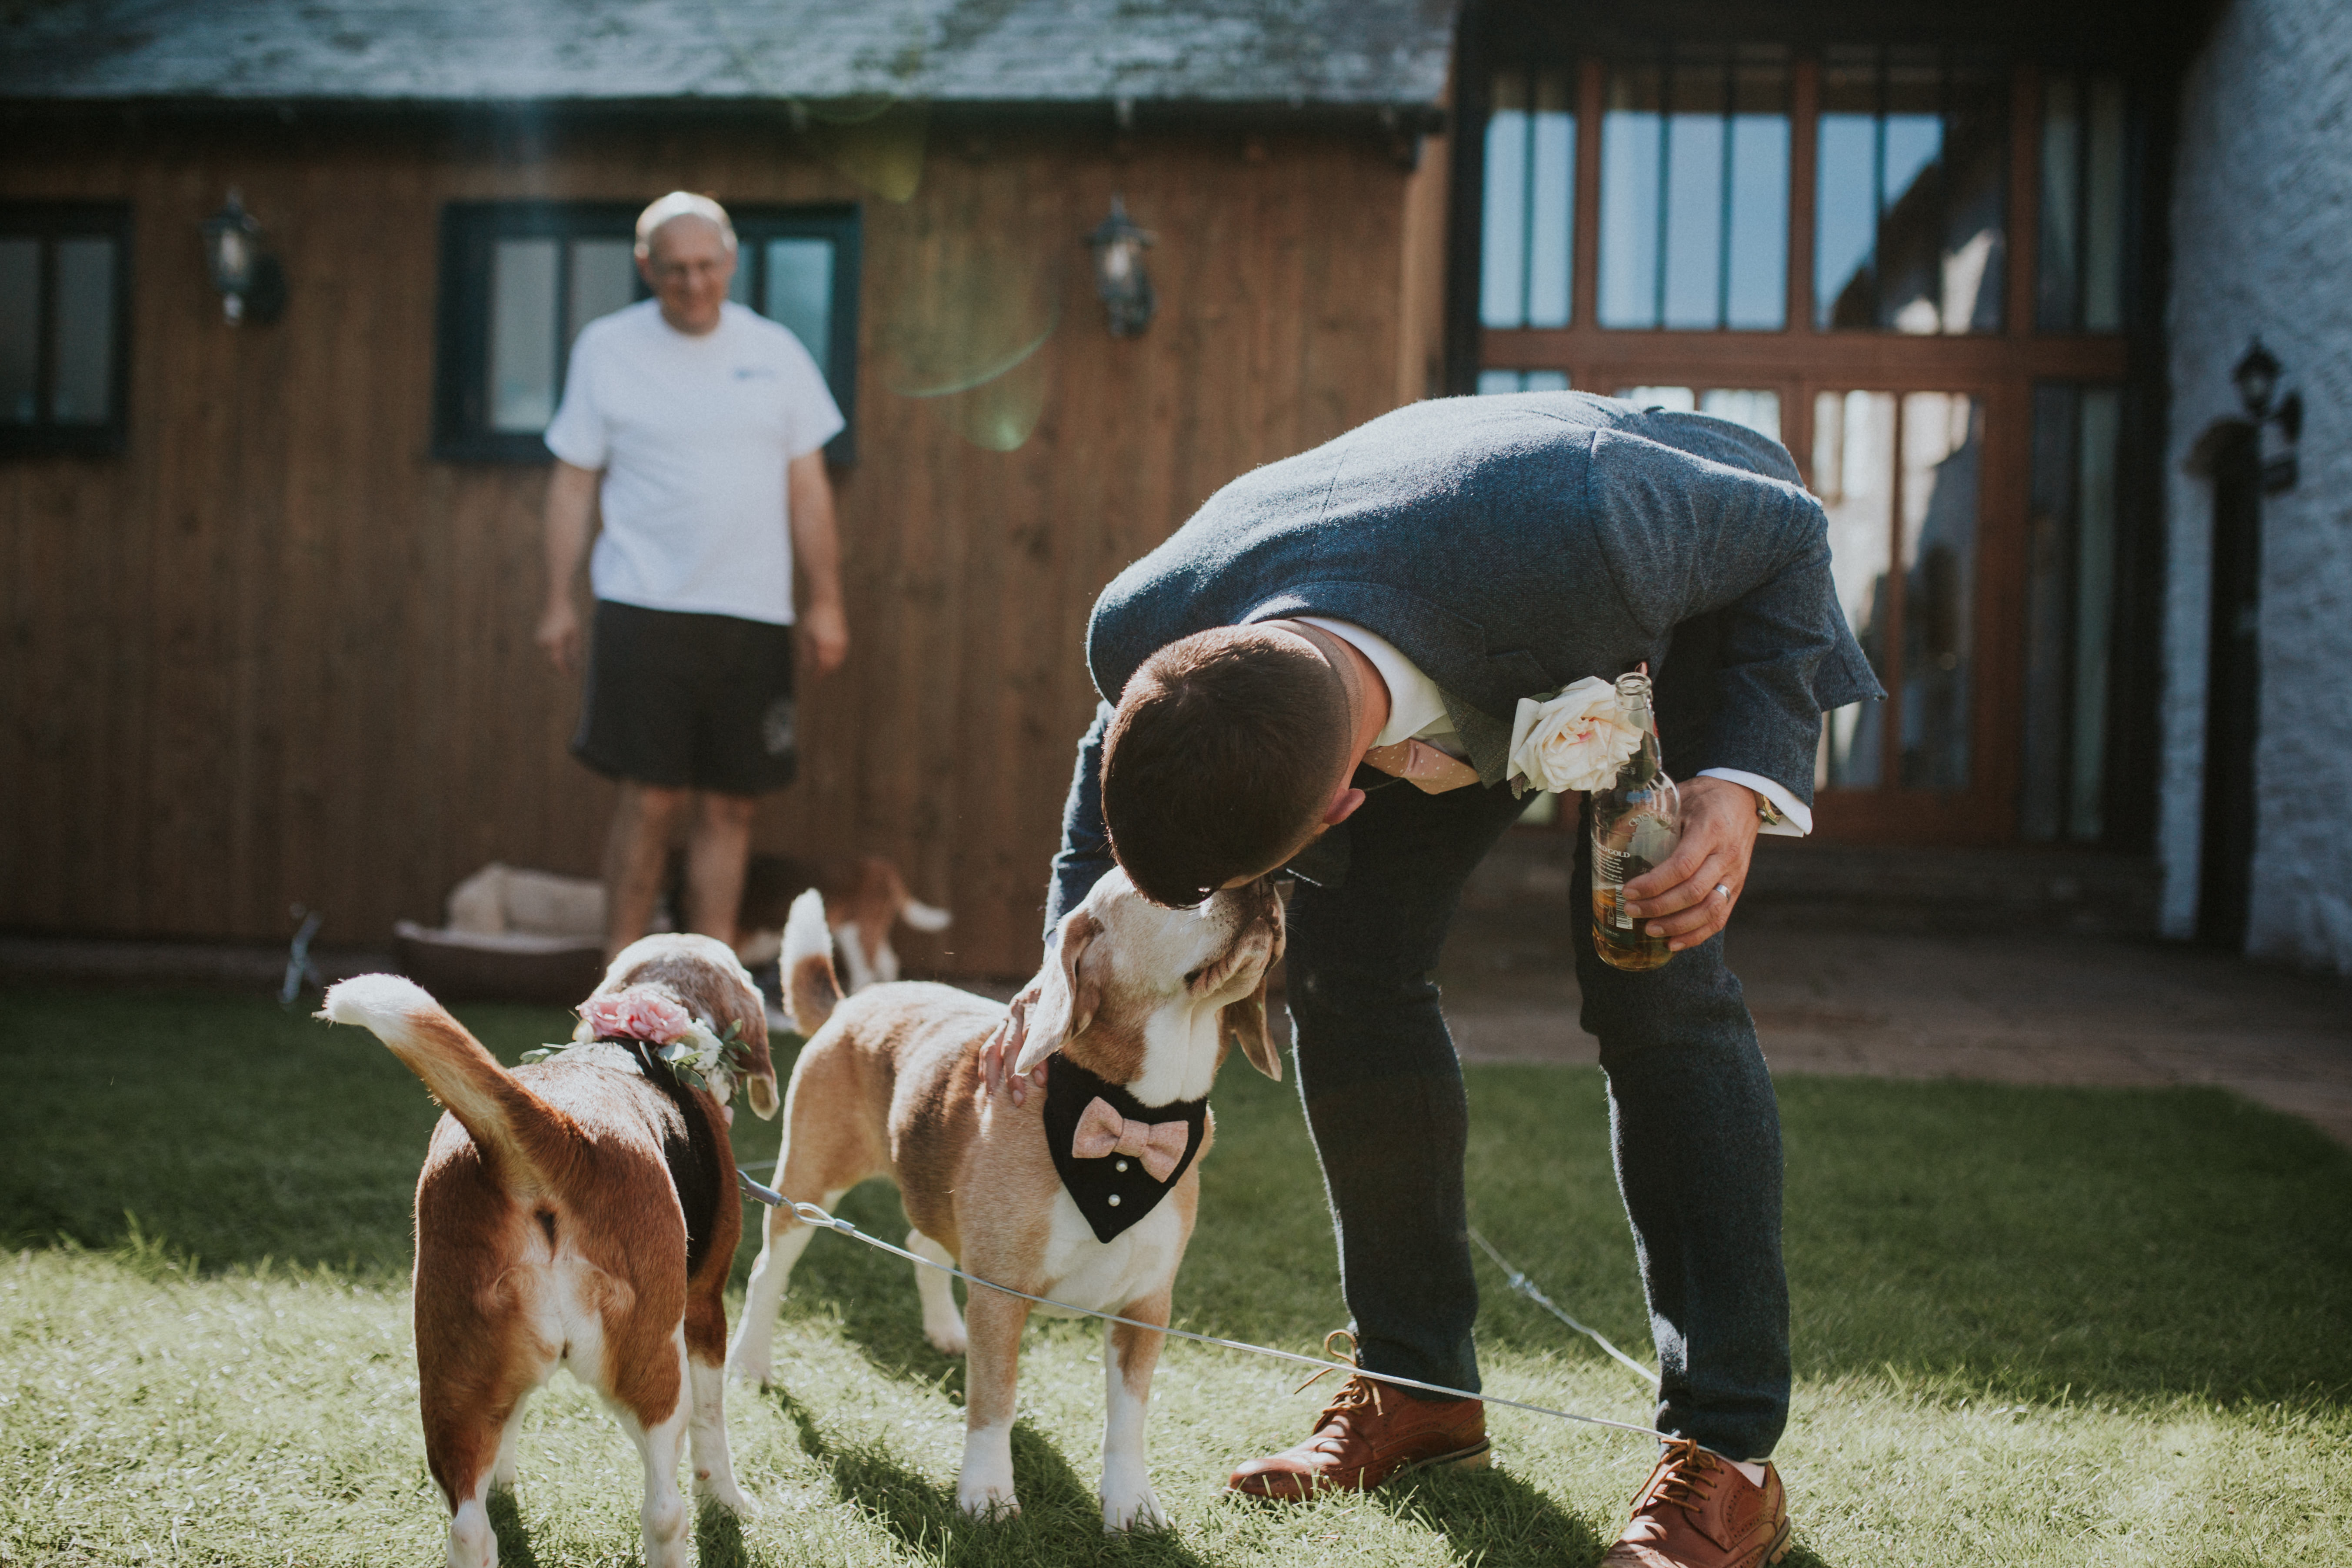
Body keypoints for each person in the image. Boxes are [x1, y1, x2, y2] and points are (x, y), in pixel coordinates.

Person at [984, 391, 1879, 1568]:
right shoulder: (1142, 623)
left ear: (1341, 802)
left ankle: (1728, 1462)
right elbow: (1116, 780)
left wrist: (1736, 786)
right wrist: (1065, 1005)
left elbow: (1789, 530)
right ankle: (1417, 1395)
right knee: (1346, 980)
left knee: (1652, 989)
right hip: (1417, 611)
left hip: (1636, 585)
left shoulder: (1598, 525)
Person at [534, 192, 847, 962]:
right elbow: (572, 484)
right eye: (674, 269)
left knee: (732, 807)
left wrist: (827, 602)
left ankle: (713, 988)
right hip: (644, 604)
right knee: (650, 801)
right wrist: (555, 600)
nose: (693, 283)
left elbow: (808, 489)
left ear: (730, 261)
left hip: (753, 611)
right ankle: (611, 990)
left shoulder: (776, 352)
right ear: (646, 268)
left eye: (707, 266)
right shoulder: (606, 350)